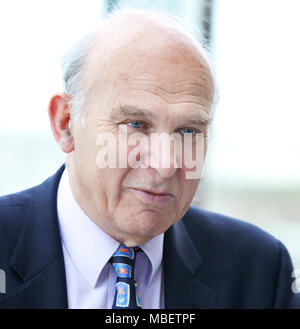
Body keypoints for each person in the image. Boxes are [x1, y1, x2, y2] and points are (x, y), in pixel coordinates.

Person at [0, 9, 299, 309]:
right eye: (136, 125)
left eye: (187, 130)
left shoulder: (259, 271)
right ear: (65, 124)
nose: (166, 164)